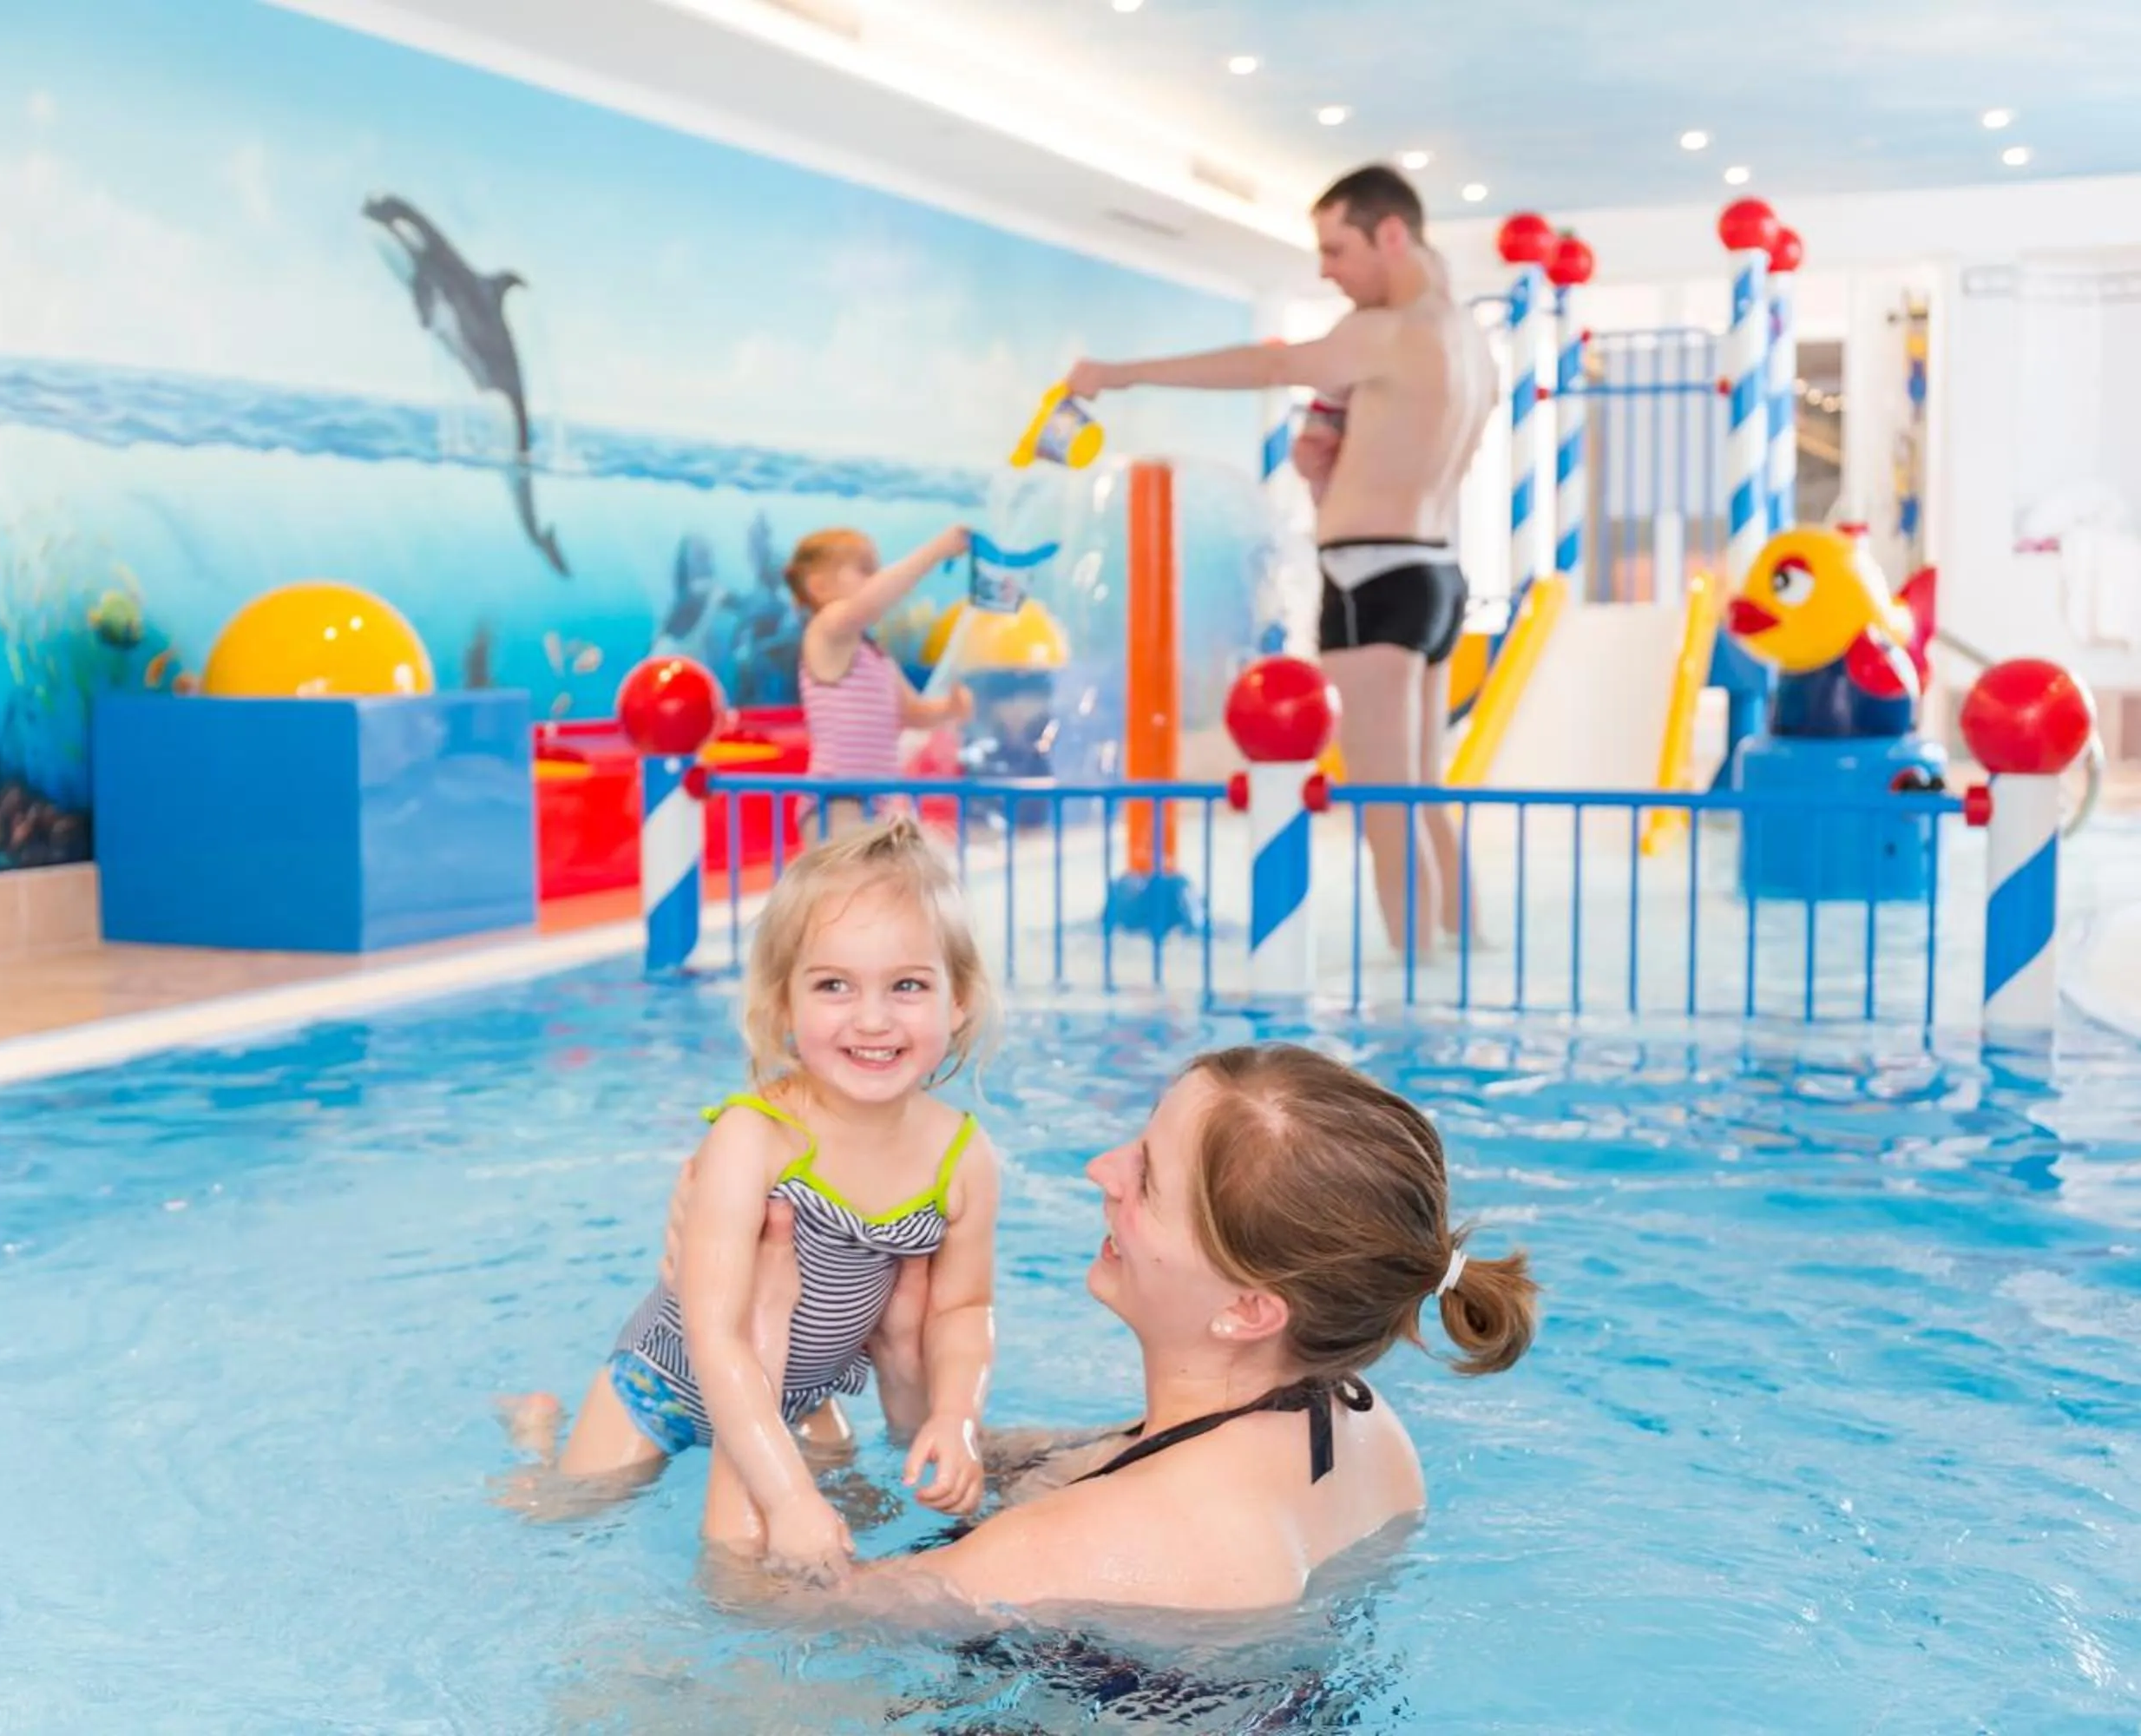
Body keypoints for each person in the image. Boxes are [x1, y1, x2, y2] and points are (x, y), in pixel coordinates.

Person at [694, 1042, 1539, 1611]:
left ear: (1248, 1308)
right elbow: (1066, 1470)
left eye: (1146, 1178)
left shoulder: (1102, 1539)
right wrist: (917, 1391)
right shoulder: (1362, 1426)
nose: (1102, 1168)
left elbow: (759, 1603)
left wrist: (754, 1336)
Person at [503, 816, 1006, 1581]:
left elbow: (964, 1311)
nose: (873, 1019)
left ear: (959, 1000)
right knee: (563, 1511)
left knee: (860, 1523)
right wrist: (788, 1495)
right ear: (782, 1004)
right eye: (834, 985)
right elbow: (718, 1338)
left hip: (802, 1396)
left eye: (908, 985)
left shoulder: (962, 1156)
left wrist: (954, 1418)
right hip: (668, 1384)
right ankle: (536, 1434)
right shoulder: (756, 1139)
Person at [1065, 166, 1496, 958]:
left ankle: (1416, 997)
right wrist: (1324, 470)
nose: (1326, 270)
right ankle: (1463, 949)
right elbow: (1404, 456)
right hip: (1436, 573)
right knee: (1425, 791)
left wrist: (1118, 375)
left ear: (1391, 234)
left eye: (1337, 249)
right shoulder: (1468, 342)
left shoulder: (1387, 331)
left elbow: (1266, 367)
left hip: (1372, 579)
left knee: (1383, 802)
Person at [789, 526, 975, 819]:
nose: (878, 580)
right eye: (866, 570)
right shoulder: (826, 632)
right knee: (854, 864)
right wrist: (937, 551)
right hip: (837, 799)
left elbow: (912, 713)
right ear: (820, 587)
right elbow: (868, 604)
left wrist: (949, 708)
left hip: (878, 801)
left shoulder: (873, 655)